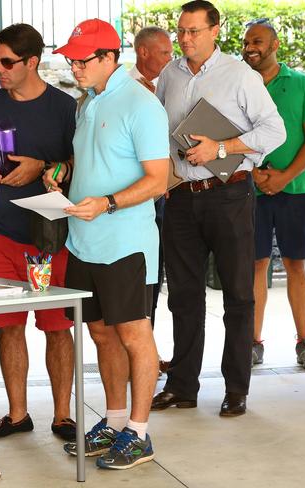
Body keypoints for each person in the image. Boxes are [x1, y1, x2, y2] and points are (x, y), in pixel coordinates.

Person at [45, 18, 170, 469]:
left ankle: (138, 432)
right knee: (99, 331)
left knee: (134, 332)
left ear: (110, 58)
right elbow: (92, 160)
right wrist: (64, 175)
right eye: (71, 60)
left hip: (125, 241)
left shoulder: (141, 104)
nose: (74, 68)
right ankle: (115, 421)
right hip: (83, 240)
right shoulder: (89, 103)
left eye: (82, 60)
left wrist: (108, 203)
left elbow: (160, 179)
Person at [151, 1, 285, 417]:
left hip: (229, 194)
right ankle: (183, 386)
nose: (185, 40)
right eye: (181, 32)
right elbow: (160, 132)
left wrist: (221, 147)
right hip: (180, 199)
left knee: (238, 296)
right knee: (184, 297)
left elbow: (274, 131)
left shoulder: (240, 75)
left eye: (194, 31)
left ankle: (236, 388)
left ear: (215, 30)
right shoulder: (169, 76)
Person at [0, 23, 78, 441]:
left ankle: (63, 416)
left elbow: (80, 166)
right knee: (9, 325)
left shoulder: (66, 108)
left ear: (32, 62)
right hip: (1, 230)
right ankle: (18, 413)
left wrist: (43, 169)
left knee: (58, 325)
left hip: (49, 232)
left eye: (7, 62)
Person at [242, 20, 305, 369]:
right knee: (256, 265)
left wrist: (284, 177)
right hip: (251, 189)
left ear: (275, 44)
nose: (250, 48)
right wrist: (256, 174)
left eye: (257, 41)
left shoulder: (303, 84)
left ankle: (304, 342)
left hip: (297, 190)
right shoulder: (239, 85)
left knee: (296, 265)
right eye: (246, 42)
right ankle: (252, 342)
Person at [128, 26, 173, 374]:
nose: (170, 59)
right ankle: (138, 357)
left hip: (169, 194)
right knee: (140, 279)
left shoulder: (168, 86)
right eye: (163, 53)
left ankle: (150, 354)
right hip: (136, 199)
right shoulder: (125, 90)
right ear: (143, 52)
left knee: (156, 279)